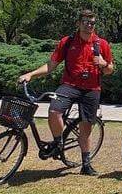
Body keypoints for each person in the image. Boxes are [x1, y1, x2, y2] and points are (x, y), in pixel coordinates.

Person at [18, 10, 114, 176]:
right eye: (85, 21)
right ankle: (58, 143)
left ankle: (86, 164)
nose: (88, 25)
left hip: (92, 89)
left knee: (86, 127)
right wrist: (30, 74)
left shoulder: (102, 44)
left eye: (92, 22)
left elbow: (110, 70)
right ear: (78, 23)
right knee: (54, 110)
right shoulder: (67, 42)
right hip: (69, 85)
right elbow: (51, 65)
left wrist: (104, 63)